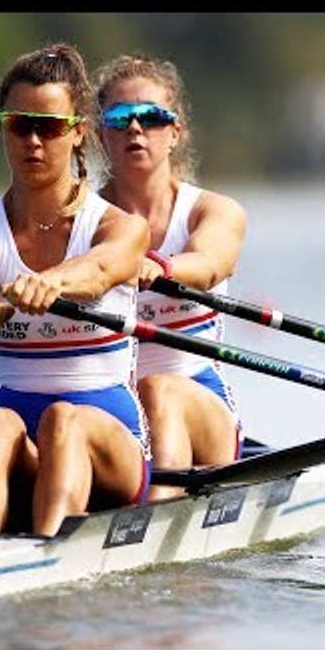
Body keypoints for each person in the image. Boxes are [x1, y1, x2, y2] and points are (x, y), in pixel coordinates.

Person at [0, 43, 151, 537]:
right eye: (20, 124)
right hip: (20, 438)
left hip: (111, 445)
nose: (33, 140)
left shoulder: (120, 228)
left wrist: (48, 282)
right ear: (1, 129)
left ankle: (48, 549)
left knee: (63, 419)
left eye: (49, 127)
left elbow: (99, 271)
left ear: (78, 134)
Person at [94, 54, 247, 501]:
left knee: (158, 389)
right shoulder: (81, 223)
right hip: (114, 411)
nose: (136, 129)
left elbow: (211, 263)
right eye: (120, 118)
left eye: (152, 117)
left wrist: (158, 268)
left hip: (200, 404)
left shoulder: (212, 210)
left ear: (174, 132)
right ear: (102, 135)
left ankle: (156, 524)